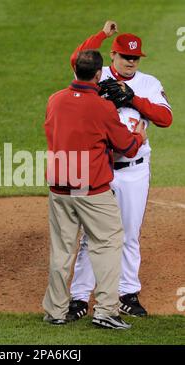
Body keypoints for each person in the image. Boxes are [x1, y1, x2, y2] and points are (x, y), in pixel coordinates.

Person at [68, 21, 172, 320]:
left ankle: (127, 293)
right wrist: (102, 34)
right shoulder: (95, 78)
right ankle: (78, 298)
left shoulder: (148, 83)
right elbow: (78, 58)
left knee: (129, 234)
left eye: (135, 58)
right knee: (92, 234)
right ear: (112, 55)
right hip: (100, 169)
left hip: (134, 171)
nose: (130, 62)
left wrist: (132, 98)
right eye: (125, 56)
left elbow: (165, 118)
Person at [42, 49, 147, 329]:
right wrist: (139, 136)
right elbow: (125, 145)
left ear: (75, 70)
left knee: (62, 249)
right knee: (109, 243)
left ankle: (55, 311)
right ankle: (106, 311)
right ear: (99, 74)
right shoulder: (102, 107)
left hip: (59, 188)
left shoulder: (55, 100)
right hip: (91, 190)